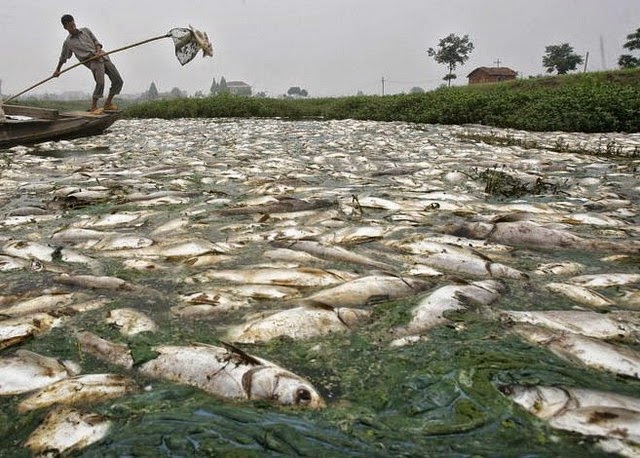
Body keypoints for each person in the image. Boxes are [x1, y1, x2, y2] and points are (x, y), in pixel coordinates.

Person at [53, 14, 123, 113]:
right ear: (65, 27)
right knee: (100, 83)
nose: (73, 27)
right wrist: (57, 70)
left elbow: (96, 42)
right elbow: (63, 58)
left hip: (103, 56)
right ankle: (94, 107)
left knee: (118, 80)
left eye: (73, 25)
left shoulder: (86, 30)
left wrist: (98, 52)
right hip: (92, 61)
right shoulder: (68, 43)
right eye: (70, 26)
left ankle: (108, 103)